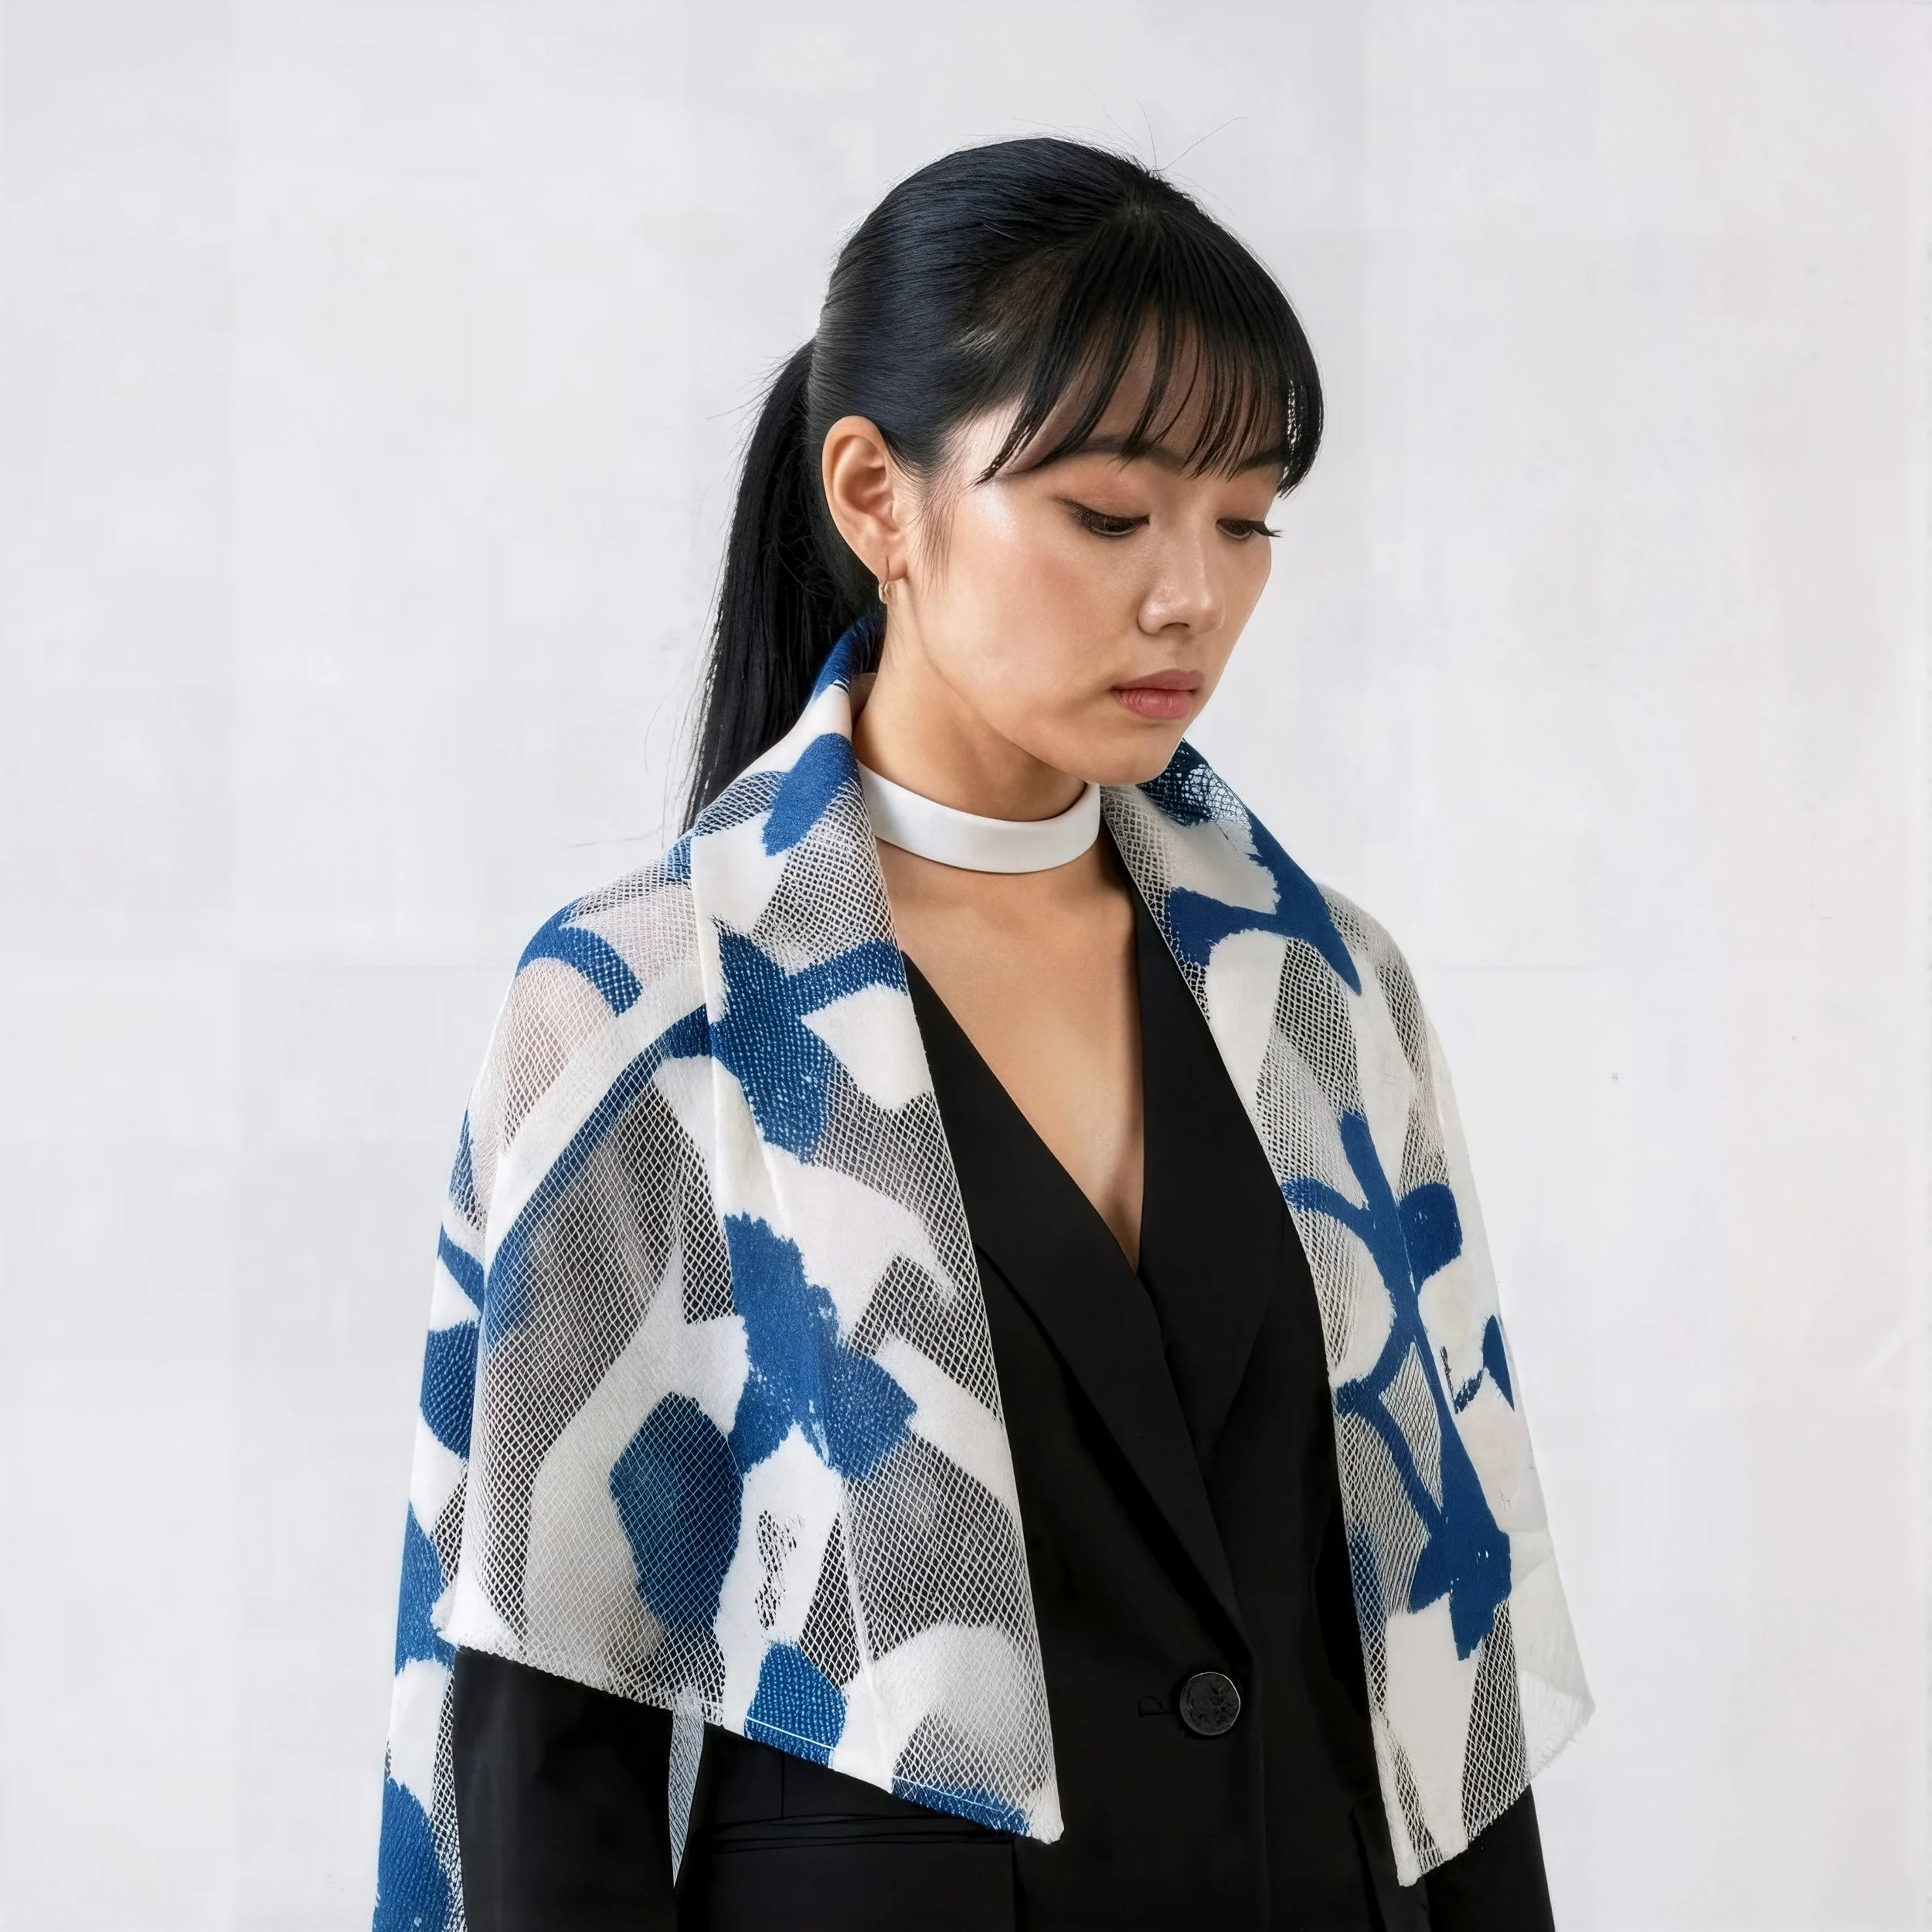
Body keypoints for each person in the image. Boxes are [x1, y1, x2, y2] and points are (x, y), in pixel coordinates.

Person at [372, 137, 1591, 1932]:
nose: (1189, 594)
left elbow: (1435, 1647)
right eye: (1108, 514)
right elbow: (551, 1721)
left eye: (1244, 519)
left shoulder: (1322, 991)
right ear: (876, 495)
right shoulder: (649, 1003)